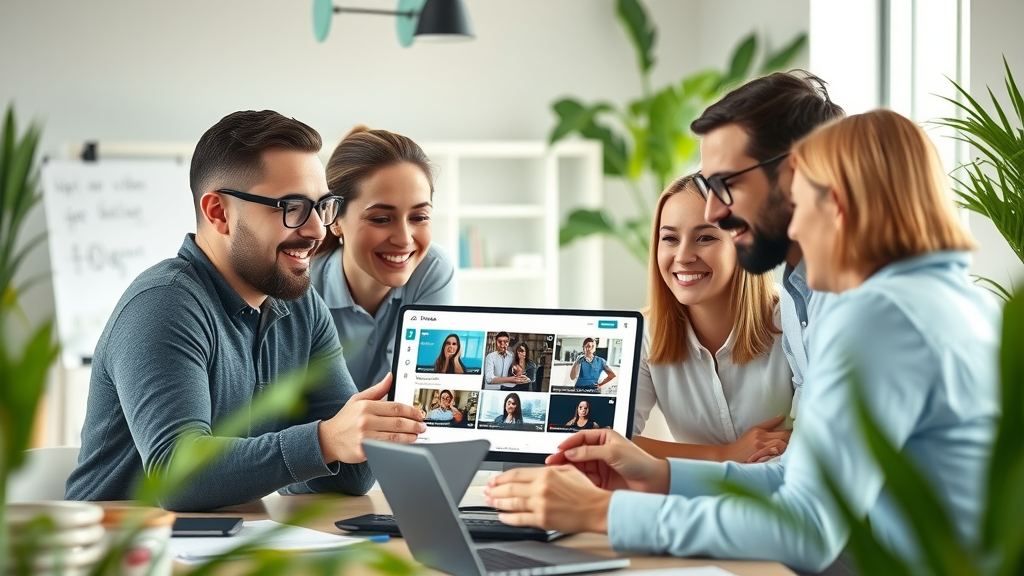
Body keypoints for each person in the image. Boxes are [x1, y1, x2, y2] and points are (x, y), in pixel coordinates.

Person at [484, 109, 1000, 574]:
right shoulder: (957, 303)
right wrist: (660, 478)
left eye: (798, 204)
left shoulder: (879, 316)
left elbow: (807, 528)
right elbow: (792, 484)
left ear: (836, 205)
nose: (793, 226)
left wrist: (600, 512)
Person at [66, 110, 427, 511]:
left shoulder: (301, 307)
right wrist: (325, 440)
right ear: (219, 212)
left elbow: (351, 476)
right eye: (291, 207)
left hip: (233, 544)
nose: (317, 231)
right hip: (119, 552)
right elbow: (178, 477)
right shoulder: (163, 304)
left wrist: (366, 430)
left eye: (322, 206)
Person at [692, 71, 845, 420]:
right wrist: (658, 472)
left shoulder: (864, 304)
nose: (712, 212)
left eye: (725, 183)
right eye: (706, 186)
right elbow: (806, 462)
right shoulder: (796, 296)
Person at [633, 175, 793, 463]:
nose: (682, 256)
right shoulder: (647, 334)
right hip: (696, 501)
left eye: (705, 237)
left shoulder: (791, 320)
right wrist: (722, 455)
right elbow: (613, 441)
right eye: (669, 238)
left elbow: (827, 438)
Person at [311, 126, 455, 391]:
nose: (404, 238)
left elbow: (418, 388)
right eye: (380, 219)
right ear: (334, 219)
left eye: (419, 217)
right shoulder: (303, 287)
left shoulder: (433, 270)